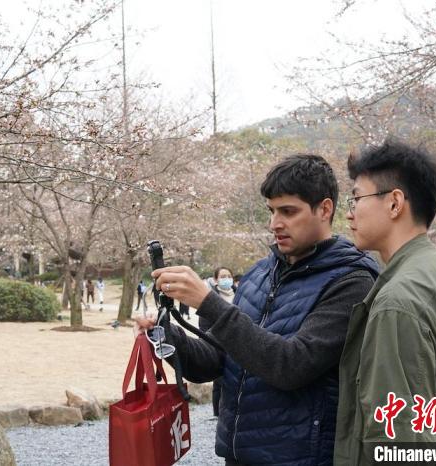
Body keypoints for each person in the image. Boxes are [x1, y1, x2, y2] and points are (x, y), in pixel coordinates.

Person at [138, 154, 379, 465]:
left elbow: (291, 365)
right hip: (239, 456)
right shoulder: (258, 275)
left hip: (301, 458)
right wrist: (162, 333)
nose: (275, 223)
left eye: (288, 211)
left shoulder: (351, 280)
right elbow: (213, 363)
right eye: (272, 211)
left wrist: (208, 302)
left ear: (325, 209)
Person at [336, 139, 436, 465]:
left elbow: (399, 442)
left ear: (395, 203)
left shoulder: (399, 301)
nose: (349, 214)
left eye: (356, 198)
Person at [200, 266, 236, 418]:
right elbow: (204, 325)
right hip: (218, 344)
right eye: (222, 276)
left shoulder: (241, 295)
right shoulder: (211, 297)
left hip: (240, 344)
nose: (226, 279)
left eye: (228, 275)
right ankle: (217, 412)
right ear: (215, 280)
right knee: (219, 381)